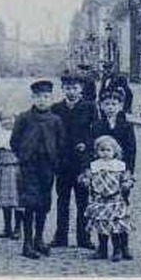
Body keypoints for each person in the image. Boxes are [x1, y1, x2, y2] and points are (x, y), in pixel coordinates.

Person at [11, 78, 64, 259]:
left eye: (46, 97)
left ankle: (38, 239)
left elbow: (61, 142)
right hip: (29, 166)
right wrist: (24, 156)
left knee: (44, 203)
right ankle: (27, 243)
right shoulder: (24, 118)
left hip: (47, 167)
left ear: (51, 98)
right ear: (33, 98)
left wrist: (55, 161)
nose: (42, 100)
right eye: (38, 97)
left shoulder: (55, 120)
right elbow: (14, 141)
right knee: (30, 203)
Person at [51, 72, 97, 249]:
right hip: (62, 163)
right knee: (62, 201)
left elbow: (96, 132)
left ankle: (84, 238)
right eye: (68, 88)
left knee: (82, 201)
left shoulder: (89, 107)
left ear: (81, 89)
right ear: (63, 89)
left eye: (75, 88)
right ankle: (60, 236)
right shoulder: (56, 108)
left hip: (81, 162)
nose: (72, 91)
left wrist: (87, 145)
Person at [91, 88, 137, 257]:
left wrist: (128, 174)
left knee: (119, 212)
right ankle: (102, 247)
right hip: (101, 176)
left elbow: (131, 151)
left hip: (119, 175)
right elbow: (92, 150)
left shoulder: (126, 126)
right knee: (100, 211)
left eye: (114, 104)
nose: (110, 107)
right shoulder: (97, 126)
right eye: (107, 104)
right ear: (101, 106)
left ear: (120, 106)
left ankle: (122, 247)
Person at [79, 135, 135, 262]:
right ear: (97, 152)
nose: (105, 153)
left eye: (108, 150)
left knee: (115, 226)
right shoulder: (94, 166)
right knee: (101, 226)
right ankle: (102, 249)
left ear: (115, 151)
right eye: (102, 150)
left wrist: (127, 183)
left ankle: (117, 250)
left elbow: (128, 178)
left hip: (115, 200)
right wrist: (85, 180)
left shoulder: (120, 166)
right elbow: (86, 177)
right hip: (99, 200)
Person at [0, 108, 23, 239]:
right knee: (5, 201)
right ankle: (7, 227)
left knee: (18, 200)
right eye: (3, 119)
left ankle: (18, 228)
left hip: (17, 169)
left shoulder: (20, 133)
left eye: (10, 118)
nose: (7, 122)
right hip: (3, 168)